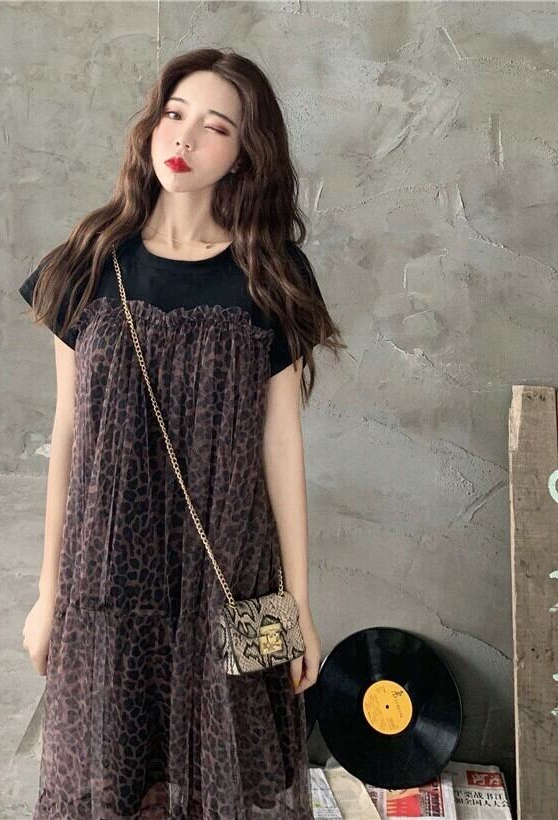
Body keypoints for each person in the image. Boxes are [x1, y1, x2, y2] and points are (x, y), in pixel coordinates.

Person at [19, 46, 345, 820]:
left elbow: (281, 444)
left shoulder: (270, 273)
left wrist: (299, 603)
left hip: (232, 570)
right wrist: (47, 593)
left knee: (239, 778)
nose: (186, 138)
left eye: (216, 127)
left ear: (243, 156)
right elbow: (68, 435)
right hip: (108, 572)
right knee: (114, 777)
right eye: (175, 114)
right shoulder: (88, 262)